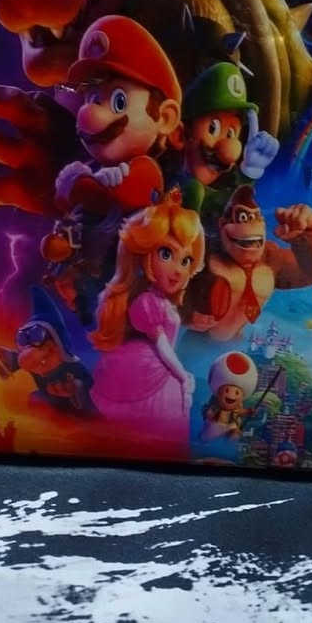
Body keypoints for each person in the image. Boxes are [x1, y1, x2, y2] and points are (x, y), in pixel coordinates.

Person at [89, 190, 204, 446]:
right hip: (146, 373)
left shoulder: (163, 302)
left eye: (186, 260)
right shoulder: (146, 302)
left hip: (159, 371)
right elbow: (162, 345)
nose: (178, 270)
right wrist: (182, 374)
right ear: (144, 254)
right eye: (166, 254)